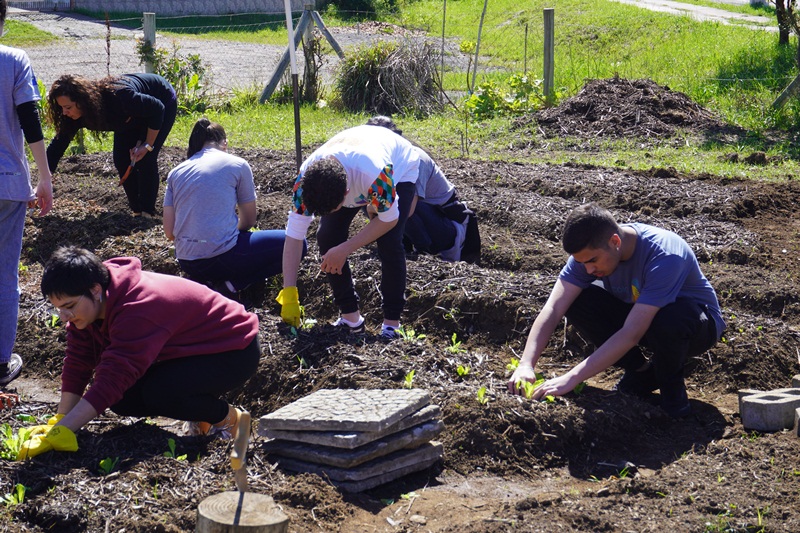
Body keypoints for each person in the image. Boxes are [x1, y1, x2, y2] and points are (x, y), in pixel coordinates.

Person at [16, 246, 259, 460]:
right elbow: (79, 360)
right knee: (124, 399)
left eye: (69, 306)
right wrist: (60, 421)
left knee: (158, 394)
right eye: (58, 308)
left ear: (95, 289)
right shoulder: (89, 307)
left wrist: (67, 429)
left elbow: (115, 376)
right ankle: (201, 414)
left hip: (234, 350)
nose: (64, 316)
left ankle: (232, 420)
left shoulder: (137, 308)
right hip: (189, 351)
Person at [507, 203, 725, 418]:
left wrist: (572, 378)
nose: (588, 269)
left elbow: (632, 332)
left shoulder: (664, 255)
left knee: (670, 318)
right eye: (582, 263)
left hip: (696, 326)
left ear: (615, 241)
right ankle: (642, 374)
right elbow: (554, 308)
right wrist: (526, 364)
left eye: (593, 261)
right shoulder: (588, 256)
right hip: (642, 318)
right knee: (577, 300)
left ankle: (673, 397)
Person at [276, 124, 420, 339]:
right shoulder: (306, 182)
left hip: (400, 167)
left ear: (347, 194)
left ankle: (391, 324)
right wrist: (289, 293)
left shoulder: (375, 175)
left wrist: (346, 249)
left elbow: (389, 220)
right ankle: (351, 318)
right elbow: (294, 236)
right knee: (326, 236)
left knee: (389, 242)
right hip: (356, 161)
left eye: (334, 208)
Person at [163, 118, 301, 301]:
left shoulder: (176, 172)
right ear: (224, 143)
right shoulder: (238, 165)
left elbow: (169, 232)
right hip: (223, 257)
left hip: (187, 261)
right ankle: (231, 287)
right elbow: (249, 220)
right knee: (298, 243)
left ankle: (203, 284)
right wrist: (224, 232)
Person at [0, 0, 54, 387]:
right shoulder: (14, 59)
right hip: (7, 182)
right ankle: (1, 361)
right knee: (3, 275)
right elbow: (29, 119)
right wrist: (45, 176)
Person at [46, 73, 177, 218]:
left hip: (161, 101)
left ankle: (148, 212)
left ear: (82, 101)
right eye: (62, 108)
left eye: (68, 107)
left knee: (145, 159)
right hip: (129, 117)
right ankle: (137, 211)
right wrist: (43, 180)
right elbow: (57, 147)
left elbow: (157, 109)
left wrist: (147, 144)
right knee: (121, 159)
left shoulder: (120, 98)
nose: (64, 112)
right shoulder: (75, 115)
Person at [366, 116, 480, 263]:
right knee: (376, 199)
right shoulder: (381, 161)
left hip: (446, 228)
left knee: (398, 202)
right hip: (423, 222)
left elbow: (408, 210)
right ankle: (402, 245)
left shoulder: (415, 158)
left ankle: (424, 251)